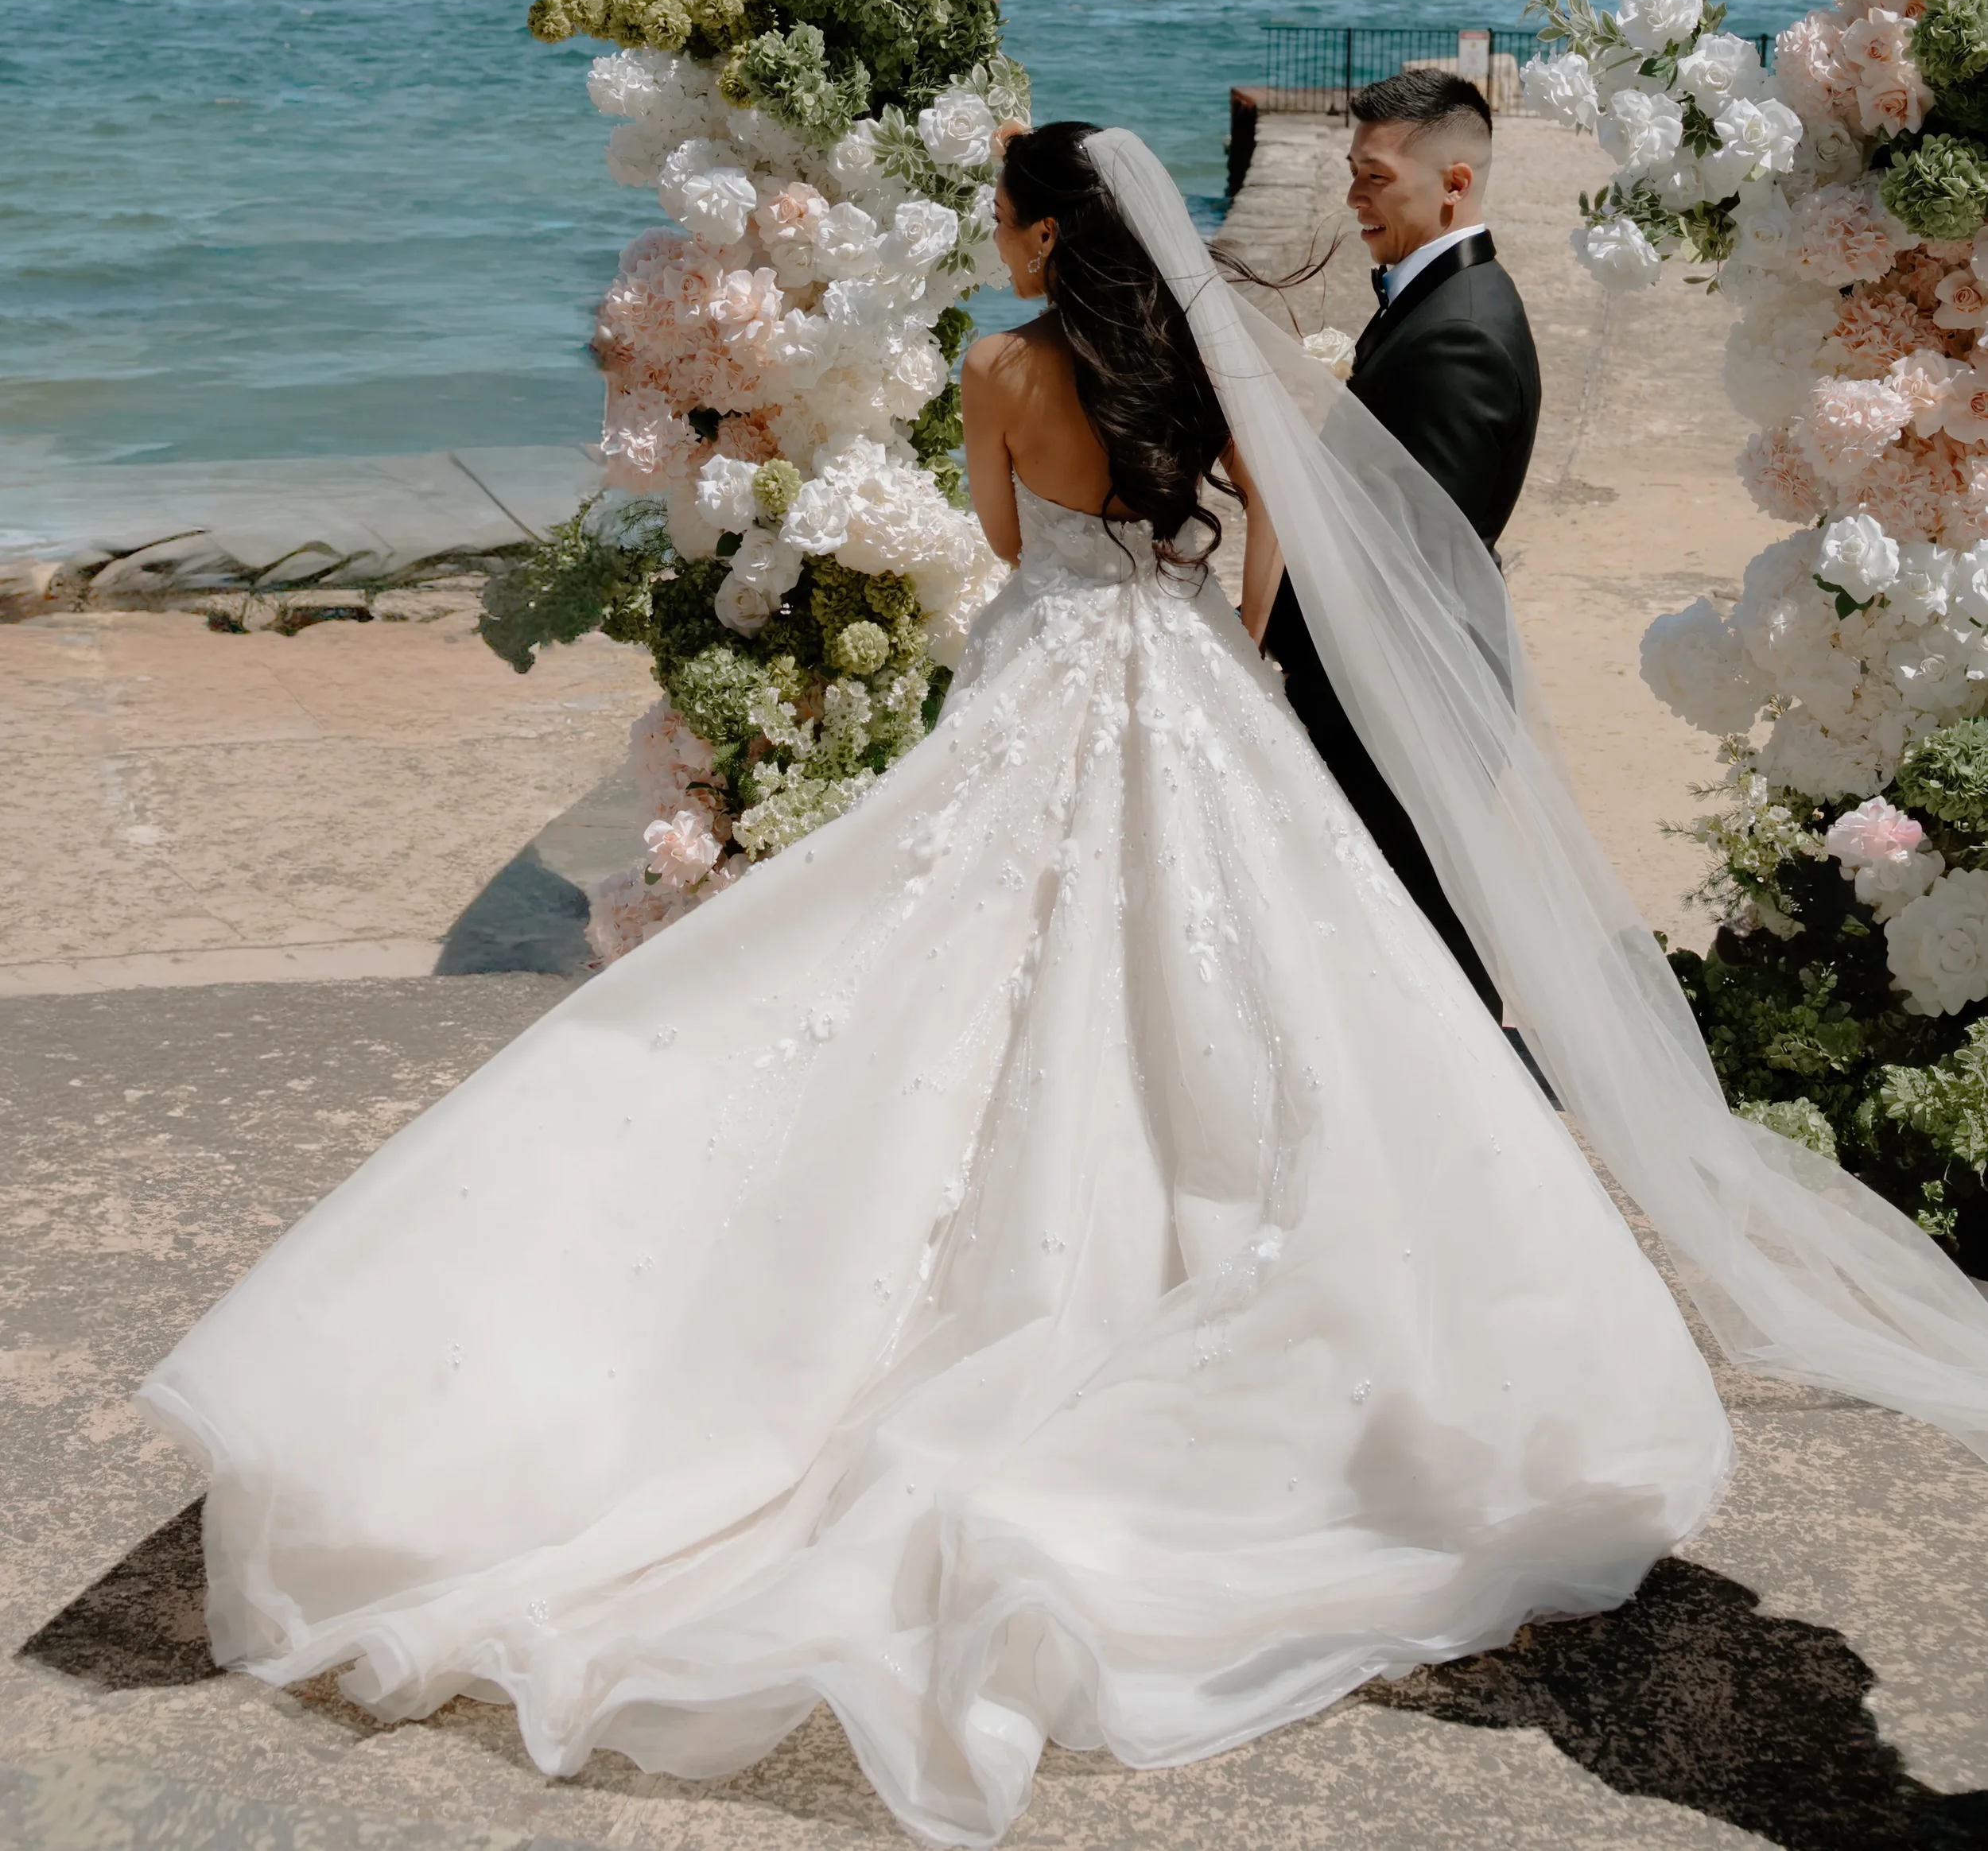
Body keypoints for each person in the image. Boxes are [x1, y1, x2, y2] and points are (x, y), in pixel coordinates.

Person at [140, 125, 1988, 1851]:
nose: (1000, 244)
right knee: (1267, 990)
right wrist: (1225, 639)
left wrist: (1098, 572)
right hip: (1192, 679)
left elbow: (1009, 547)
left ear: (1038, 233)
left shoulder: (1003, 371)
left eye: (1005, 223)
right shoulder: (1203, 363)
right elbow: (1273, 532)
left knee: (968, 956)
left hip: (1055, 672)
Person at [1258, 68, 1536, 1019]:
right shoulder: (1437, 304)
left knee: (1423, 939)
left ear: (1453, 183)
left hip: (1407, 694)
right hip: (1391, 683)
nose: (1353, 197)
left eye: (1373, 177)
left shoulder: (1460, 336)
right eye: (1352, 172)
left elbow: (1415, 559)